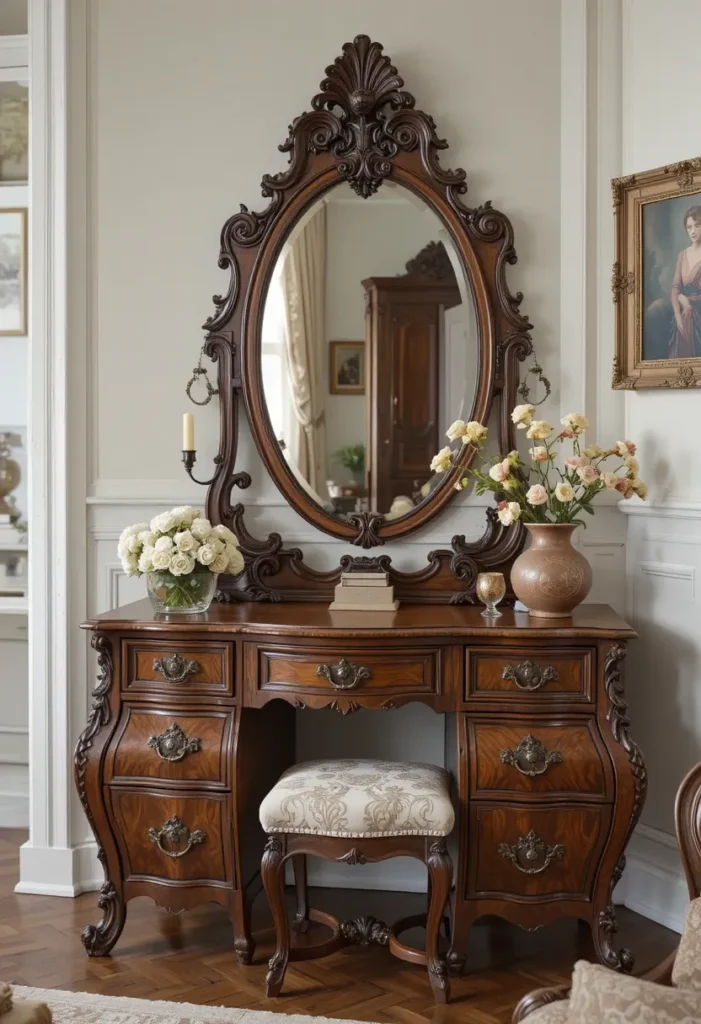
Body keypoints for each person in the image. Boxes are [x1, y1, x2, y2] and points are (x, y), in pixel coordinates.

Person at [669, 205, 701, 358]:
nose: (693, 231)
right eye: (689, 227)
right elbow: (676, 287)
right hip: (683, 313)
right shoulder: (682, 255)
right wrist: (678, 313)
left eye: (697, 225)